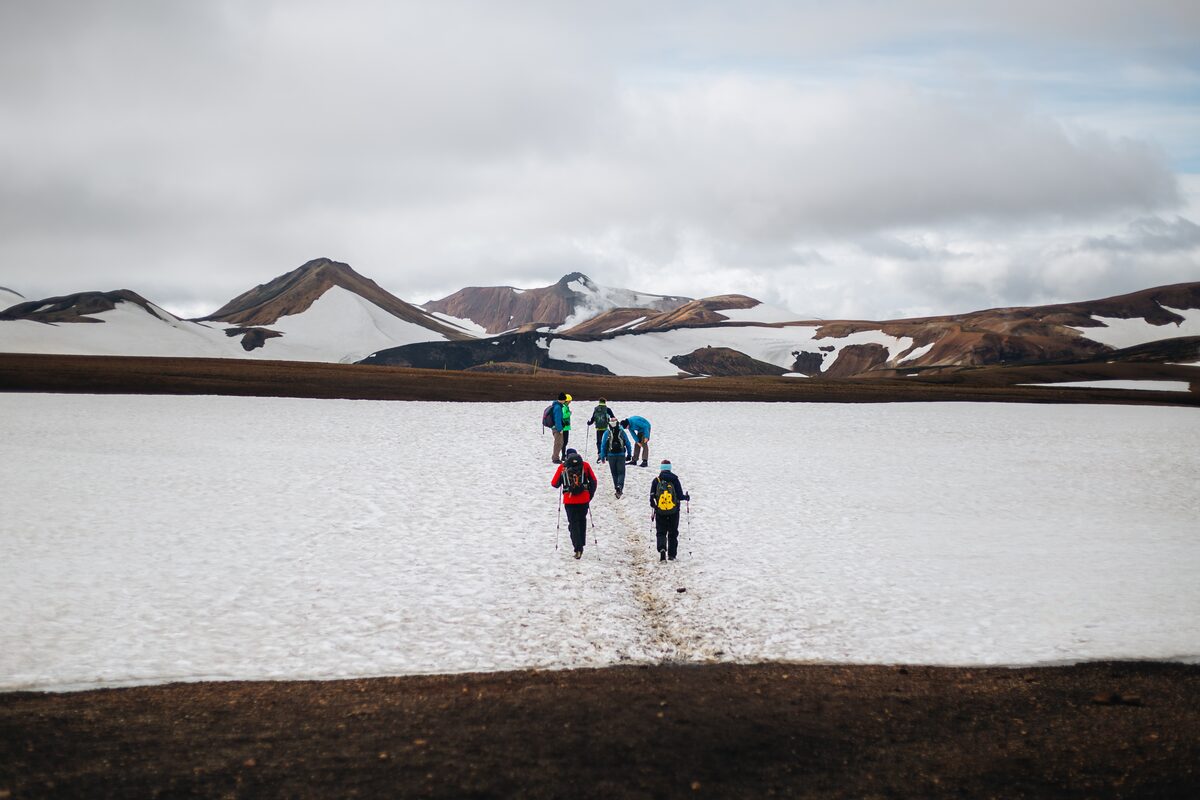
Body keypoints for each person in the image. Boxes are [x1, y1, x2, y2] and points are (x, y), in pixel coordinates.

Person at [551, 448, 598, 559]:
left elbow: (554, 483)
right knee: (582, 521)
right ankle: (581, 543)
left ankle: (578, 548)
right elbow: (594, 481)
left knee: (573, 523)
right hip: (584, 499)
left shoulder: (563, 467)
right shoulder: (585, 465)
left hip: (569, 500)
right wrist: (589, 495)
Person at [649, 459, 689, 561]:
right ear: (670, 468)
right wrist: (686, 497)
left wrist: (654, 506)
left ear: (661, 469)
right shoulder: (675, 480)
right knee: (673, 532)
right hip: (674, 511)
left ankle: (662, 549)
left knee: (661, 531)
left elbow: (652, 498)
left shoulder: (656, 480)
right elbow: (679, 496)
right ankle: (672, 555)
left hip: (660, 511)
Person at [599, 417, 633, 499]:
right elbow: (628, 443)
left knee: (614, 473)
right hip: (621, 454)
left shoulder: (607, 432)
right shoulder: (621, 431)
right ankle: (619, 487)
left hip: (611, 455)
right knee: (621, 473)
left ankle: (616, 488)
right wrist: (629, 454)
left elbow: (603, 445)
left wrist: (602, 456)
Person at [550, 392, 573, 464]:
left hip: (555, 427)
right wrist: (560, 429)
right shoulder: (558, 407)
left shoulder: (557, 406)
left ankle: (555, 457)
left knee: (560, 443)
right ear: (563, 400)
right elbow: (557, 419)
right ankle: (555, 459)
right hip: (557, 428)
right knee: (558, 443)